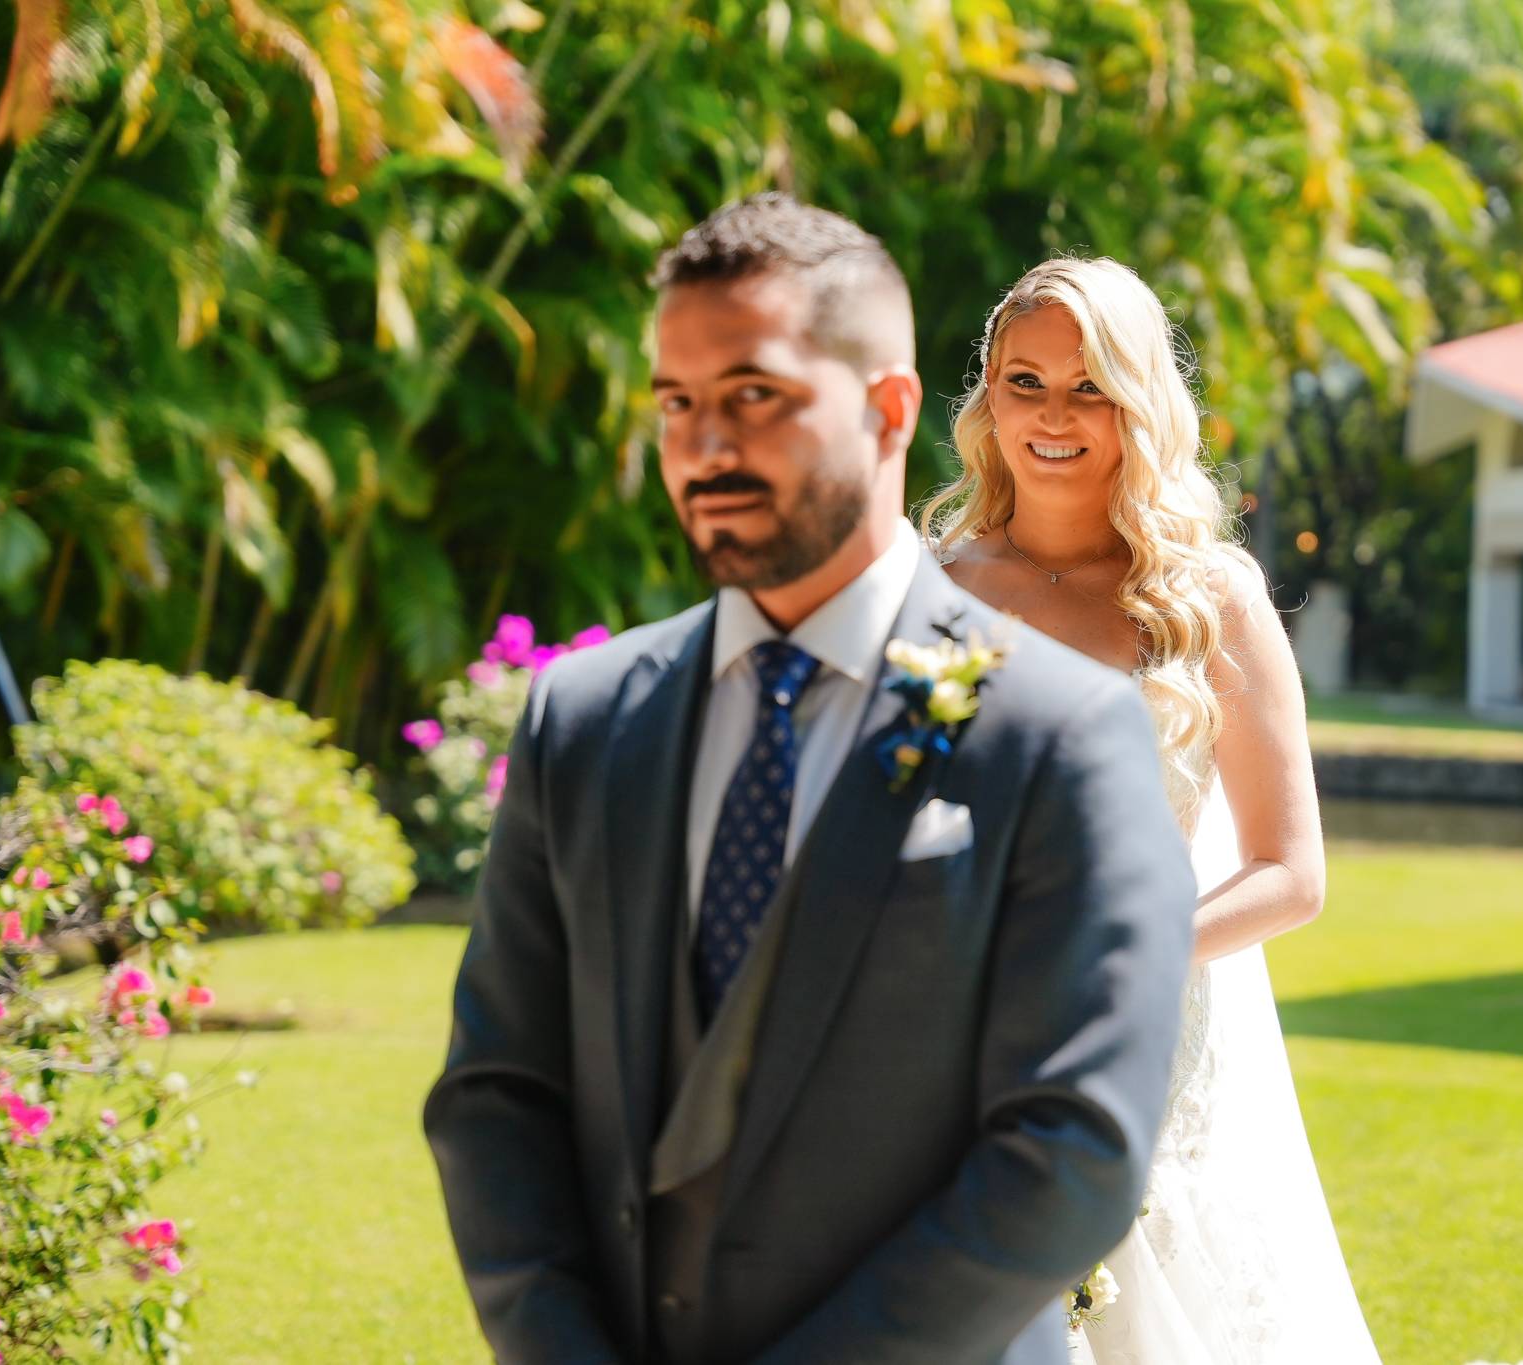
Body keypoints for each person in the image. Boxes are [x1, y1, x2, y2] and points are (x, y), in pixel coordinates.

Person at [422, 194, 1199, 1364]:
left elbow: (1071, 1150)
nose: (704, 447)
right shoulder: (582, 719)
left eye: (754, 397)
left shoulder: (1062, 734)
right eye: (677, 404)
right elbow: (497, 1095)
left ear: (887, 410)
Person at [927, 255, 1381, 1363]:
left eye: (1088, 387)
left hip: (1140, 1031)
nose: (1052, 415)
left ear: (1138, 400)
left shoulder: (1208, 599)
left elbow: (1291, 874)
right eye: (1025, 381)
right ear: (988, 397)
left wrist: (1107, 956)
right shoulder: (931, 588)